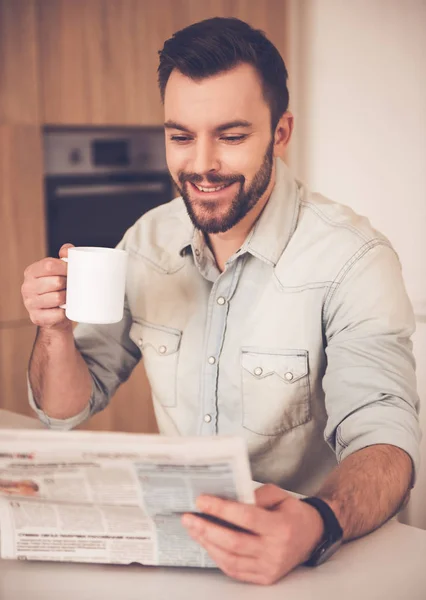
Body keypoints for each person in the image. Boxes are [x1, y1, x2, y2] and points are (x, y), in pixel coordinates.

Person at [21, 17, 420, 585]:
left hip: (318, 563)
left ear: (280, 133)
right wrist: (55, 332)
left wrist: (315, 523)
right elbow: (65, 409)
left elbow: (387, 441)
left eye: (231, 137)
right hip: (184, 555)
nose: (201, 164)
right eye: (181, 136)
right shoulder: (147, 241)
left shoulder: (353, 258)